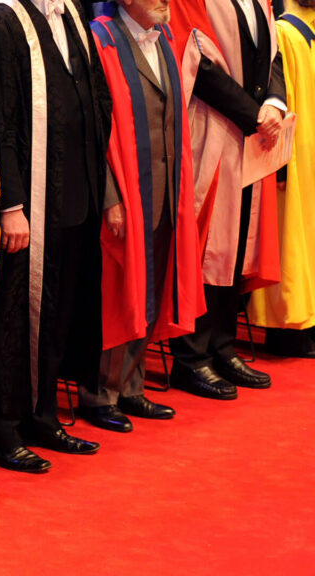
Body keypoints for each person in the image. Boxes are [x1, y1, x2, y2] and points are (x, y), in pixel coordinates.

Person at [0, 0, 111, 472]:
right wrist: (11, 204)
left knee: (59, 311)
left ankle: (42, 413)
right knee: (13, 316)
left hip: (73, 194)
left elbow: (93, 98)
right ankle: (2, 427)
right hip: (28, 201)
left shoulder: (71, 13)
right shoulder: (1, 21)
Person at [80, 0, 203, 432]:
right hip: (126, 187)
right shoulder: (101, 39)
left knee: (149, 285)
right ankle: (99, 394)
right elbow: (94, 126)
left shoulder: (165, 37)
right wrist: (111, 196)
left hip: (164, 186)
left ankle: (131, 387)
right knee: (117, 289)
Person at [167, 0, 285, 397]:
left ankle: (222, 346)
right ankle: (191, 356)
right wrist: (252, 114)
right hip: (209, 129)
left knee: (235, 244)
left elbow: (274, 56)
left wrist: (274, 103)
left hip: (248, 136)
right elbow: (194, 61)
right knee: (204, 244)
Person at [248, 0, 315, 357]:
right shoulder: (286, 32)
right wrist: (282, 162)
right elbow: (281, 98)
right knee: (291, 235)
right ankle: (285, 326)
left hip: (312, 150)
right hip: (294, 151)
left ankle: (307, 319)